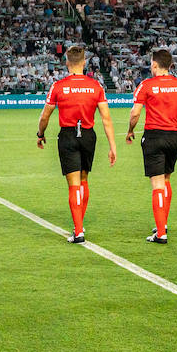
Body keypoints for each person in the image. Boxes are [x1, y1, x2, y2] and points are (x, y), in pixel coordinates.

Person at [38, 46, 116, 243]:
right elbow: (106, 118)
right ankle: (80, 224)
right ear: (84, 63)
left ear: (66, 63)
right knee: (83, 180)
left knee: (73, 184)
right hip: (89, 135)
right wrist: (112, 146)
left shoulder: (59, 86)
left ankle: (79, 230)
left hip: (68, 135)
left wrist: (40, 133)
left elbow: (45, 115)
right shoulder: (96, 86)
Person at [126, 49, 177, 244]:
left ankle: (161, 234)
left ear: (155, 64)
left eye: (151, 62)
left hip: (154, 136)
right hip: (174, 137)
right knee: (166, 179)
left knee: (157, 184)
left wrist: (130, 130)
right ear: (170, 65)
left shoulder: (146, 85)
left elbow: (135, 113)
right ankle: (162, 223)